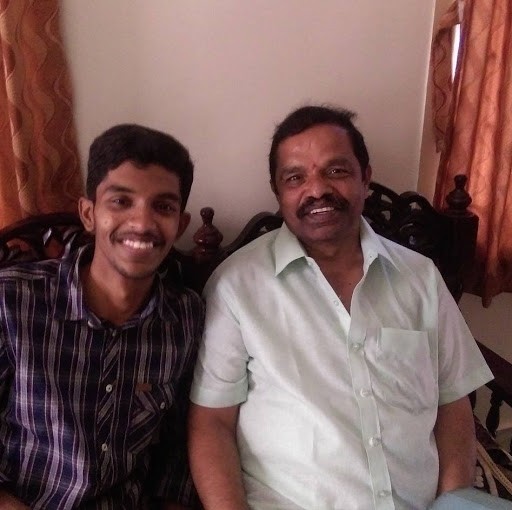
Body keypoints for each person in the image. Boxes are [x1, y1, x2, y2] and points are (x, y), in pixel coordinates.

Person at [188, 105, 494, 510]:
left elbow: (452, 403)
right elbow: (212, 423)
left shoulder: (420, 278)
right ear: (277, 192)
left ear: (365, 178)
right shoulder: (236, 287)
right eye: (295, 178)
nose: (317, 190)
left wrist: (452, 505)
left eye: (336, 171)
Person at [0, 124, 203, 509]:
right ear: (89, 214)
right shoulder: (12, 301)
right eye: (121, 201)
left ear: (180, 225)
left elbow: (177, 452)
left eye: (162, 207)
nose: (142, 223)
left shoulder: (184, 318)